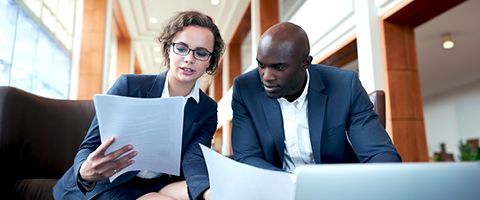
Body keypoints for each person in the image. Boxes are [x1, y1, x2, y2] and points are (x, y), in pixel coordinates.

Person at [53, 11, 224, 200]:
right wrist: (84, 172)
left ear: (210, 60)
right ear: (169, 48)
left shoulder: (207, 109)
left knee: (217, 192)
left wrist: (208, 192)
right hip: (111, 182)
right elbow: (90, 144)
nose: (189, 59)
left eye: (201, 53)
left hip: (158, 184)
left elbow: (194, 158)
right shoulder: (129, 85)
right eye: (182, 48)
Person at [231, 22, 401, 173]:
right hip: (277, 189)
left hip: (335, 189)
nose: (266, 76)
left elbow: (380, 153)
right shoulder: (245, 89)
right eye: (261, 65)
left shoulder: (344, 86)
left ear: (305, 63)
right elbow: (247, 157)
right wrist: (293, 183)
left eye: (279, 67)